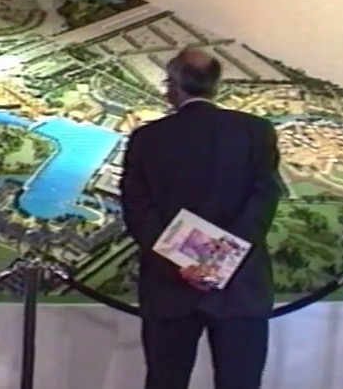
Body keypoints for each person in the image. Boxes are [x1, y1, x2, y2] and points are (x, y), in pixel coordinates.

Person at [120, 45, 282, 389]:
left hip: (169, 288)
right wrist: (217, 262)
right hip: (239, 286)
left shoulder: (148, 138)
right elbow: (264, 199)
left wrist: (183, 263)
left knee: (165, 382)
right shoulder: (256, 131)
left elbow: (138, 209)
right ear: (215, 85)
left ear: (172, 86)